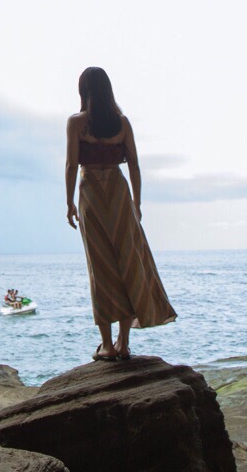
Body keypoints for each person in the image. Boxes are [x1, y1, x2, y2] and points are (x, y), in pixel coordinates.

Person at [65, 66, 174, 361]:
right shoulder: (122, 123)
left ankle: (107, 346)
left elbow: (71, 165)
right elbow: (135, 165)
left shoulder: (76, 123)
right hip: (119, 191)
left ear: (83, 91)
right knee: (127, 260)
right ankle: (123, 343)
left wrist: (69, 202)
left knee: (100, 267)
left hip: (90, 192)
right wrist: (137, 203)